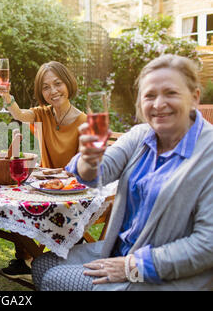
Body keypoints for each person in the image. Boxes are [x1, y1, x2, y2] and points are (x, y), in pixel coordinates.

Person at [31, 54, 213, 290]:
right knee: (41, 264)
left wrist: (131, 266)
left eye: (171, 93)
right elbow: (95, 175)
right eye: (149, 95)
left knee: (54, 280)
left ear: (195, 97)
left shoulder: (207, 152)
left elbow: (208, 244)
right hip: (120, 249)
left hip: (160, 273)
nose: (158, 104)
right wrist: (88, 158)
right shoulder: (141, 136)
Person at [0, 61, 87, 280]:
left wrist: (57, 177)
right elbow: (18, 114)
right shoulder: (43, 113)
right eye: (46, 87)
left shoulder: (84, 121)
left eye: (58, 83)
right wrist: (7, 97)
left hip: (70, 190)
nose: (53, 91)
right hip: (44, 186)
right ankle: (25, 255)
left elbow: (83, 168)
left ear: (68, 83)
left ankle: (46, 253)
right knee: (12, 198)